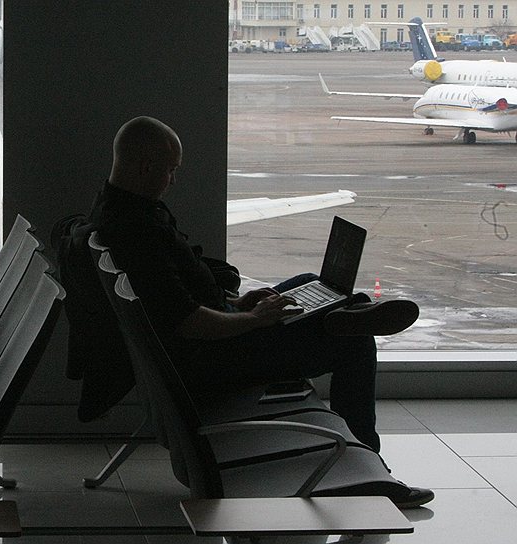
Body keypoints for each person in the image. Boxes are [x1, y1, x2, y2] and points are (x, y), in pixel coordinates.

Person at [84, 115, 433, 508]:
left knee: (306, 284)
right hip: (212, 360)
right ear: (146, 167)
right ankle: (373, 473)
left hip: (210, 339)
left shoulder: (119, 211)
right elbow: (189, 322)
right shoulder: (137, 231)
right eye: (170, 170)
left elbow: (176, 299)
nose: (173, 180)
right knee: (355, 344)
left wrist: (237, 303)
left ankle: (342, 310)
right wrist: (253, 319)